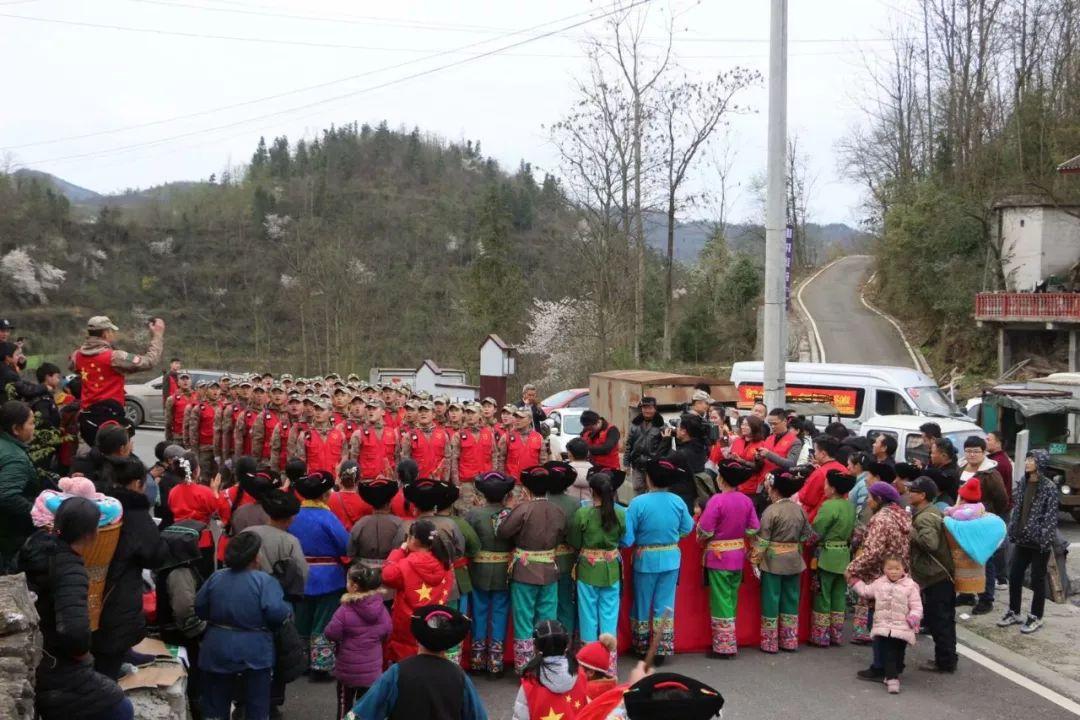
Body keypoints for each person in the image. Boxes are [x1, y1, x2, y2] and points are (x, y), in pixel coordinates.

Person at [19, 497, 133, 720]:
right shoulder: (70, 569)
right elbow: (74, 631)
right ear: (92, 533)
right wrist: (82, 654)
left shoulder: (36, 547)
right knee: (120, 708)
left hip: (38, 653)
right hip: (57, 668)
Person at [196, 531, 292, 720]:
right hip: (255, 651)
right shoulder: (264, 581)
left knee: (215, 703)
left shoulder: (216, 577)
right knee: (257, 704)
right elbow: (277, 613)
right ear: (256, 557)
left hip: (217, 647)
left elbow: (200, 607)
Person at [94, 457, 169, 679]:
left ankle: (120, 658)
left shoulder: (99, 501)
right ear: (137, 484)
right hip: (119, 585)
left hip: (95, 581)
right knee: (111, 643)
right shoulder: (134, 513)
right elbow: (153, 555)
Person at [346, 604, 487, 720]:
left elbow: (363, 713)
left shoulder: (398, 672)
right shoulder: (459, 677)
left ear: (416, 639)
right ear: (450, 645)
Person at [496, 465, 568, 673]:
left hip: (525, 572)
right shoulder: (558, 511)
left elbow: (503, 532)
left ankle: (525, 666)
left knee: (523, 618)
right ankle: (548, 664)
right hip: (549, 570)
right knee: (547, 618)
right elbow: (562, 535)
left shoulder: (523, 509)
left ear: (526, 490)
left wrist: (508, 510)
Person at [623, 458, 694, 663]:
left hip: (645, 558)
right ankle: (661, 649)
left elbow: (628, 538)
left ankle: (642, 646)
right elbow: (687, 528)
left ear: (648, 478)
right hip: (671, 557)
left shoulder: (638, 503)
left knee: (642, 602)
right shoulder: (678, 501)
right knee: (665, 604)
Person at [290, 471, 350, 677]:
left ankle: (300, 662)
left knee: (301, 620)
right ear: (325, 495)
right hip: (328, 578)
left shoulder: (293, 516)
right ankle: (320, 665)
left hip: (299, 575)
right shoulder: (328, 517)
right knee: (324, 621)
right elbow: (345, 546)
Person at [70, 316, 164, 446]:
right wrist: (157, 335)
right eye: (111, 331)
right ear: (105, 333)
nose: (113, 334)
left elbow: (74, 368)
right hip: (111, 421)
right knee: (115, 457)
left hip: (87, 419)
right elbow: (149, 361)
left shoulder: (77, 356)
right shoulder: (114, 357)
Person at [846, 481, 911, 667]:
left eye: (870, 497)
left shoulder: (881, 519)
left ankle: (881, 666)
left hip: (880, 577)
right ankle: (896, 664)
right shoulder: (901, 516)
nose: (867, 501)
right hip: (900, 575)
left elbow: (873, 552)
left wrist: (852, 569)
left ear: (880, 499)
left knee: (879, 623)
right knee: (895, 623)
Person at [697, 461, 759, 658]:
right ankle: (730, 641)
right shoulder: (746, 501)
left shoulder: (717, 501)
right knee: (732, 598)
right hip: (738, 555)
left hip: (719, 557)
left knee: (721, 599)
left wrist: (704, 538)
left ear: (721, 478)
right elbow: (753, 528)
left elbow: (705, 530)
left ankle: (724, 647)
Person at [998, 449, 1060, 634]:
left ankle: (1036, 616)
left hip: (1039, 543)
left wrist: (1043, 539)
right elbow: (1018, 509)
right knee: (1015, 575)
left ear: (1040, 463)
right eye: (1027, 459)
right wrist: (1013, 530)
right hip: (1022, 539)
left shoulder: (1049, 488)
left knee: (1037, 580)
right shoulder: (1024, 482)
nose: (1027, 462)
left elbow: (1050, 518)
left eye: (1031, 459)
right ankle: (1014, 611)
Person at [381, 519, 456, 662]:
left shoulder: (407, 563)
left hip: (407, 622)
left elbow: (387, 575)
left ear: (413, 540)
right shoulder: (444, 561)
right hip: (432, 619)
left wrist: (400, 551)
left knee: (405, 658)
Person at [567, 469, 627, 648]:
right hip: (612, 569)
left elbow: (575, 541)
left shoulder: (583, 514)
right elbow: (623, 538)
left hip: (588, 569)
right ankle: (609, 663)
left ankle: (591, 662)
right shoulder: (621, 513)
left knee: (588, 616)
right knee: (609, 615)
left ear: (592, 491)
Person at [324, 565, 392, 720]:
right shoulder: (381, 608)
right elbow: (387, 631)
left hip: (347, 670)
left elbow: (331, 633)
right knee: (367, 707)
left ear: (354, 586)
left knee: (344, 705)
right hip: (372, 670)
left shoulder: (345, 610)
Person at [465, 471, 516, 679]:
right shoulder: (512, 514)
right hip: (504, 570)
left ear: (483, 494)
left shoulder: (473, 514)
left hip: (479, 570)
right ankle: (495, 663)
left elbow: (467, 541)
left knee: (479, 612)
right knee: (500, 613)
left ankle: (477, 660)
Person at [157, 520, 209, 720]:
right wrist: (201, 631)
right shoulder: (179, 573)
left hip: (176, 633)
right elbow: (183, 609)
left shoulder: (171, 566)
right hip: (181, 637)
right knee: (193, 679)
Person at [906, 476, 957, 674]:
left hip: (936, 576)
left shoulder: (925, 517)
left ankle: (944, 662)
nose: (909, 494)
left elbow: (930, 544)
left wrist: (911, 532)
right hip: (942, 575)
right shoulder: (932, 512)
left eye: (913, 491)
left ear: (923, 495)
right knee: (945, 620)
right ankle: (949, 658)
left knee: (940, 621)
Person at [850, 556, 923, 694]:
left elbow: (916, 605)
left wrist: (914, 616)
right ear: (884, 569)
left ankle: (896, 669)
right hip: (883, 626)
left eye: (897, 568)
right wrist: (855, 582)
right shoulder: (879, 583)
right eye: (890, 568)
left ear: (904, 569)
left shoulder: (910, 586)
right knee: (889, 652)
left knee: (899, 652)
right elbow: (866, 591)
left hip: (902, 626)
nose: (893, 571)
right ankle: (892, 679)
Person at [959, 436, 1008, 615]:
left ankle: (986, 598)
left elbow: (1002, 500)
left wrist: (988, 514)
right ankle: (966, 593)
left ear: (984, 452)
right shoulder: (961, 469)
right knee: (965, 559)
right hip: (963, 523)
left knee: (985, 561)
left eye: (976, 451)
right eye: (968, 451)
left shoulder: (991, 474)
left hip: (983, 523)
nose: (972, 455)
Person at [808, 470, 857, 647]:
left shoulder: (828, 506)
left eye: (826, 484)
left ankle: (821, 636)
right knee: (839, 596)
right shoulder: (850, 506)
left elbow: (816, 531)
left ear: (833, 488)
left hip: (826, 556)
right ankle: (836, 634)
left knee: (823, 595)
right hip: (844, 555)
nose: (824, 487)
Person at [512, 620, 588, 720]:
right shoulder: (580, 674)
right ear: (567, 645)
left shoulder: (530, 682)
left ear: (535, 647)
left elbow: (520, 717)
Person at [0, 400, 41, 572]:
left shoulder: (7, 446)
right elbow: (7, 495)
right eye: (31, 423)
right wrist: (38, 514)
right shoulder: (15, 457)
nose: (34, 427)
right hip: (8, 532)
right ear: (16, 429)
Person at [543, 460, 582, 636]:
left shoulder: (539, 501)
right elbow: (576, 534)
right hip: (567, 559)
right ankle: (565, 643)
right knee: (566, 602)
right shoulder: (575, 504)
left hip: (543, 560)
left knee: (546, 604)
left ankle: (549, 642)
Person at [348, 477, 405, 575]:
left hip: (364, 575)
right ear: (389, 503)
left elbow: (351, 552)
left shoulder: (360, 524)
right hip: (390, 574)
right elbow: (400, 550)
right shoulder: (399, 524)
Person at [450, 402, 497, 513]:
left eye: (473, 413)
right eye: (467, 413)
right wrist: (457, 483)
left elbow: (494, 456)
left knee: (486, 512)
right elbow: (454, 460)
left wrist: (494, 477)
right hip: (466, 483)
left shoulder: (489, 433)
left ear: (480, 414)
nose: (469, 416)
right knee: (466, 513)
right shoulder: (459, 435)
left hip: (486, 481)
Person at [797, 434, 846, 522]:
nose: (814, 454)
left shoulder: (820, 473)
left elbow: (806, 498)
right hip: (840, 515)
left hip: (818, 517)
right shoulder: (844, 469)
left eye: (815, 451)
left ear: (823, 454)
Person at [623, 397, 666, 494]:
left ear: (655, 408)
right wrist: (626, 464)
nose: (647, 411)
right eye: (644, 408)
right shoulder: (634, 424)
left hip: (654, 465)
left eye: (650, 408)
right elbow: (629, 444)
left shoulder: (661, 426)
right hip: (637, 464)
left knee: (654, 491)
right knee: (638, 489)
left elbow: (665, 447)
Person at [499, 407, 550, 482]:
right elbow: (500, 459)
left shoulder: (538, 437)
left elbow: (543, 461)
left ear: (529, 420)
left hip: (532, 481)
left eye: (521, 417)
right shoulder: (507, 436)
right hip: (513, 482)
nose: (517, 420)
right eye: (516, 417)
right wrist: (502, 478)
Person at [576, 634, 619, 699]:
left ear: (590, 672)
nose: (575, 670)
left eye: (578, 667)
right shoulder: (608, 687)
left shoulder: (587, 693)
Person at [565, 438, 594, 504]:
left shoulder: (565, 472)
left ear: (569, 454)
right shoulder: (595, 472)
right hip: (590, 510)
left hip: (570, 508)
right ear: (588, 454)